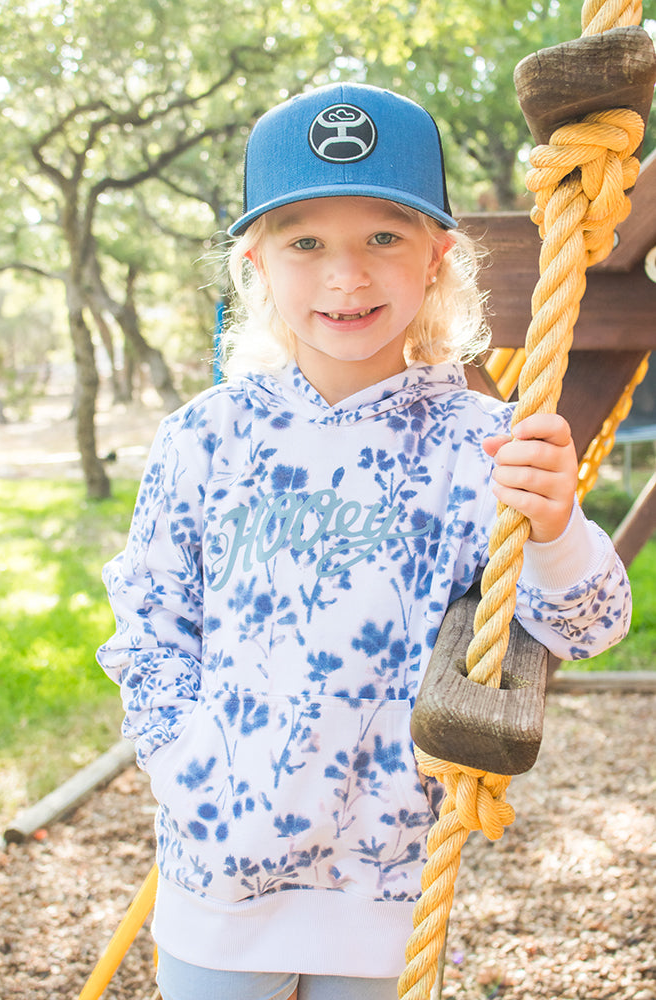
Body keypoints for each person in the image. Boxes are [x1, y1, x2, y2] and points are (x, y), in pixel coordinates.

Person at [97, 83, 631, 1000]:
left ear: (437, 257)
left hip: (385, 884)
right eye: (305, 243)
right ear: (256, 262)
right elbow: (148, 627)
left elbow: (591, 625)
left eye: (383, 237)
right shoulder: (205, 439)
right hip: (217, 877)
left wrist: (553, 528)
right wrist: (186, 764)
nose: (346, 277)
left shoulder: (484, 441)